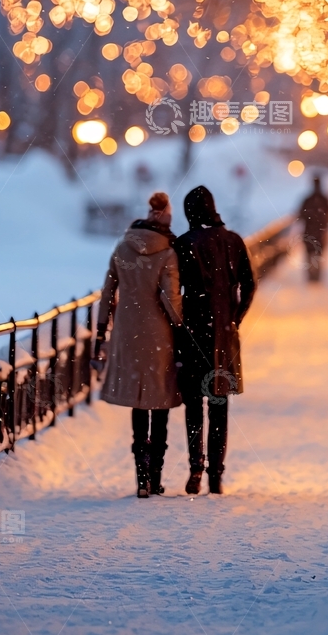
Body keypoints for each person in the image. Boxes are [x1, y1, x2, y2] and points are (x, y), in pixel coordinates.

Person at [95, 191, 182, 497]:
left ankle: (140, 477)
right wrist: (181, 327)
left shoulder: (122, 249)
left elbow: (106, 294)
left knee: (137, 402)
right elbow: (170, 300)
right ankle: (156, 476)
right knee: (159, 403)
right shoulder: (168, 253)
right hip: (159, 336)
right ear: (166, 218)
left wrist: (101, 333)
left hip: (128, 334)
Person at [175, 185, 256, 496]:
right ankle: (216, 476)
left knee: (193, 405)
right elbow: (250, 285)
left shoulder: (184, 244)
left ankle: (196, 466)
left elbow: (173, 293)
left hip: (193, 334)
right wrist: (235, 318)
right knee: (219, 405)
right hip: (223, 336)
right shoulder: (234, 241)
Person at [298, 175, 328, 282]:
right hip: (320, 232)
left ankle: (310, 275)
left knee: (309, 253)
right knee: (318, 253)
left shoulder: (307, 200)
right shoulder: (324, 200)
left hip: (308, 232)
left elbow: (300, 215)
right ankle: (317, 275)